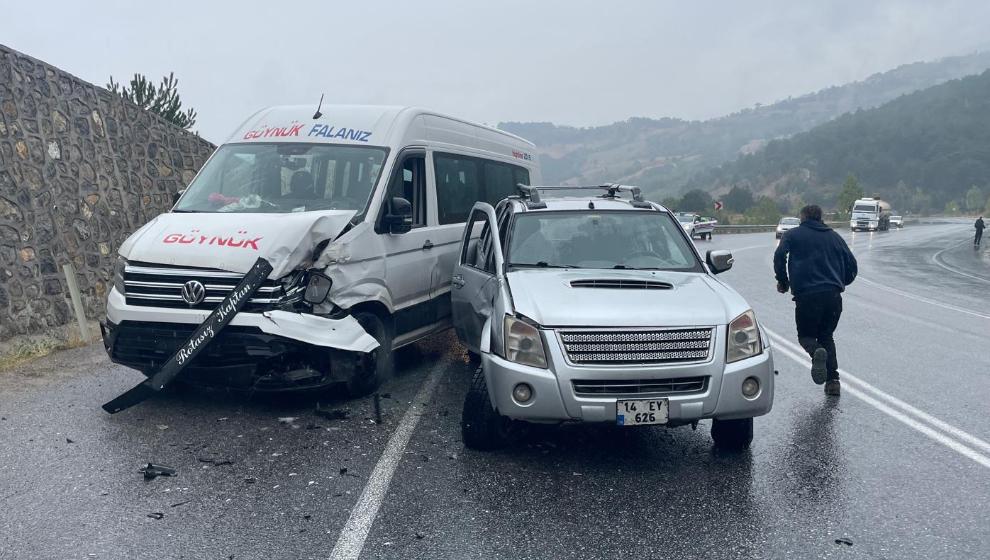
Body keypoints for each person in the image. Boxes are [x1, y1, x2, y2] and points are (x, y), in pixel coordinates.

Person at [774, 205, 858, 396]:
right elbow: (852, 265)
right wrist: (840, 282)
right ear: (821, 217)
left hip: (807, 296)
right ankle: (833, 382)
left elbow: (779, 255)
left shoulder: (793, 235)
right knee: (827, 336)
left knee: (806, 337)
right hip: (833, 297)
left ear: (802, 218)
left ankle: (816, 352)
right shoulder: (835, 237)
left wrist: (783, 281)